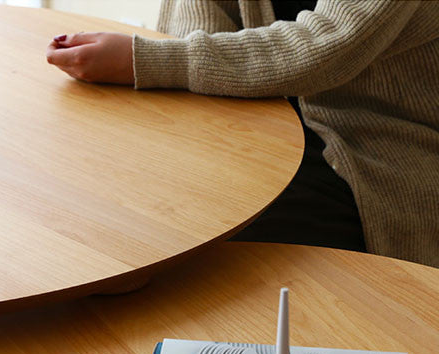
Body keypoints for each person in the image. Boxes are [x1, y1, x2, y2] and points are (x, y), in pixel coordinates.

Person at [46, 0, 439, 268]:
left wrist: (141, 61)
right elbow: (195, 27)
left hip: (377, 150)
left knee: (208, 251)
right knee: (108, 196)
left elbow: (328, 45)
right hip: (254, 122)